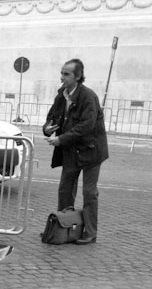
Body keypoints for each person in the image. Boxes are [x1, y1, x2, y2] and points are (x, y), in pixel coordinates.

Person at [43, 58, 109, 245]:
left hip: (91, 151)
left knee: (89, 193)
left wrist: (61, 139)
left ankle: (90, 232)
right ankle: (62, 227)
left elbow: (86, 126)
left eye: (66, 74)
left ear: (78, 76)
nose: (62, 77)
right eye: (61, 73)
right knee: (65, 189)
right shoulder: (61, 95)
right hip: (71, 151)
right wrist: (47, 128)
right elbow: (51, 117)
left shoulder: (88, 97)